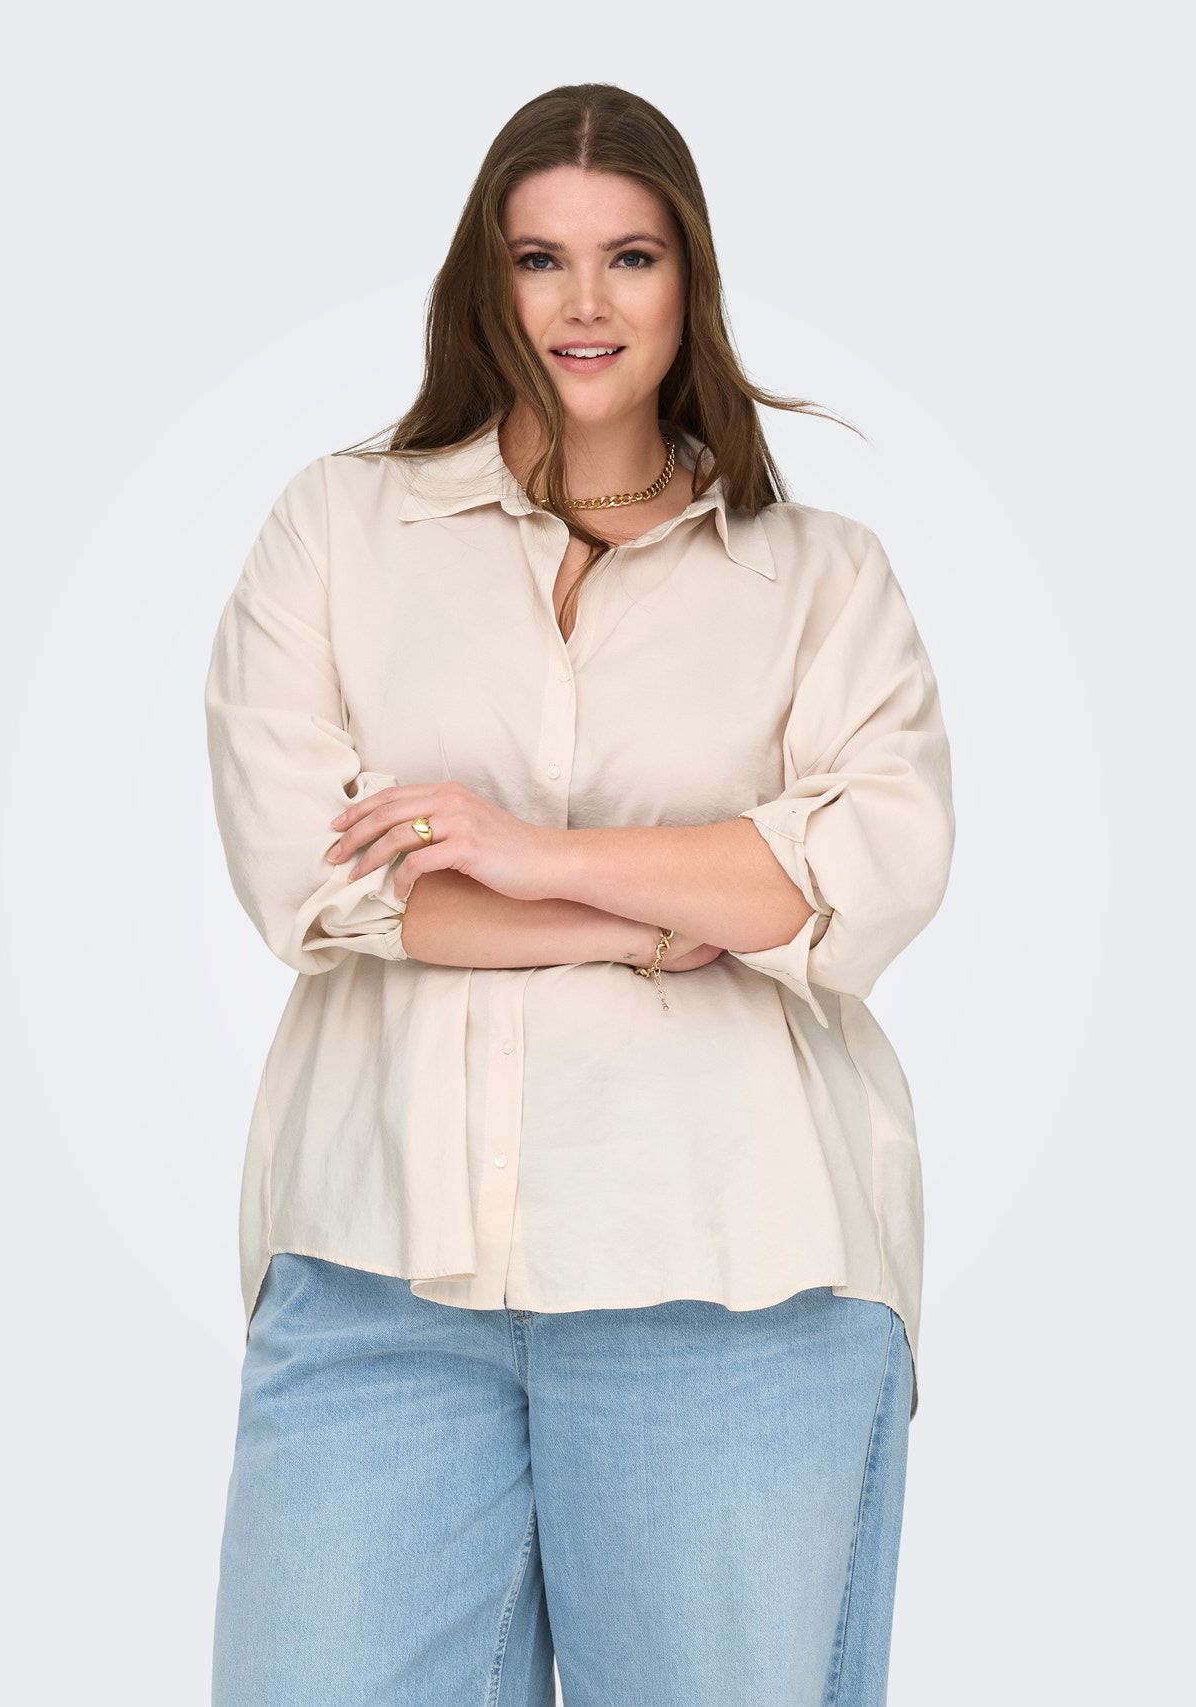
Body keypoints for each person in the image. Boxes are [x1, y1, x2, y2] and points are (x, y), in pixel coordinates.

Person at [204, 81, 954, 1707]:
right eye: (541, 258)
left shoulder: (818, 577)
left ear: (691, 282)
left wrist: (528, 854)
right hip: (377, 1269)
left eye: (632, 256)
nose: (584, 303)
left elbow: (869, 873)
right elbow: (312, 876)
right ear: (488, 279)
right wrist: (665, 916)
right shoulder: (340, 527)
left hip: (733, 1276)